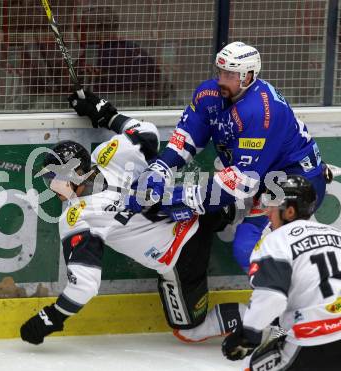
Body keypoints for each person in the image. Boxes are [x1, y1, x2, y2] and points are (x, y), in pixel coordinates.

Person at [19, 91, 244, 345]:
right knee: (239, 198)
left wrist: (51, 317)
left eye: (55, 179)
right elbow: (146, 132)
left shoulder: (77, 218)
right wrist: (108, 115)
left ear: (77, 174)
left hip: (181, 255)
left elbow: (85, 285)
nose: (52, 187)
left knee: (189, 330)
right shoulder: (110, 154)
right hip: (201, 209)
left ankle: (260, 320)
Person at [127, 41, 328, 273]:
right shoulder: (208, 94)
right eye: (220, 72)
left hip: (294, 181)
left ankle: (291, 303)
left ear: (249, 76)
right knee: (220, 205)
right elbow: (186, 137)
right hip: (261, 176)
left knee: (247, 247)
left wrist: (176, 197)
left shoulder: (260, 111)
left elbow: (243, 181)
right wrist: (160, 168)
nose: (221, 79)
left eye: (230, 74)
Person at [221, 174, 341, 370]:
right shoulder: (336, 234)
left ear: (290, 212)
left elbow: (273, 297)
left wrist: (247, 335)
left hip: (313, 339)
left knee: (250, 365)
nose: (268, 212)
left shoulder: (276, 241)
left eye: (273, 205)